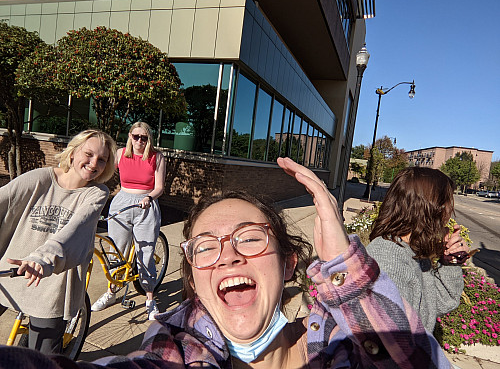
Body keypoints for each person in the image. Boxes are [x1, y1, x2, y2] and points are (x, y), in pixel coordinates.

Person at [0, 157, 452, 368]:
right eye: (205, 246)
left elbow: (416, 360)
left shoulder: (343, 350)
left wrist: (343, 267)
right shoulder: (177, 354)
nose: (230, 254)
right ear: (194, 277)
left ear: (290, 261)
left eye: (250, 238)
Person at [0, 129, 116, 354]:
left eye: (102, 160)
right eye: (89, 154)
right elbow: (4, 199)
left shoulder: (96, 193)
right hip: (12, 271)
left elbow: (75, 230)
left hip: (52, 283)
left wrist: (42, 258)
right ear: (72, 153)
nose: (93, 163)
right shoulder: (41, 178)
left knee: (43, 358)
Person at [366, 167, 467, 333]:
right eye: (447, 204)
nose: (449, 213)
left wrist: (449, 261)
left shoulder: (412, 250)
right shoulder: (389, 260)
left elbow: (439, 303)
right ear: (431, 209)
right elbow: (393, 341)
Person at [91, 122, 166, 320]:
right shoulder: (121, 154)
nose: (140, 141)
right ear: (130, 136)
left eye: (144, 137)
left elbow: (159, 187)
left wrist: (150, 197)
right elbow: (104, 173)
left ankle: (150, 299)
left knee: (145, 254)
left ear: (149, 139)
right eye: (136, 136)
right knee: (116, 252)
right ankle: (112, 293)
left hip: (146, 204)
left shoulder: (156, 157)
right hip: (122, 203)